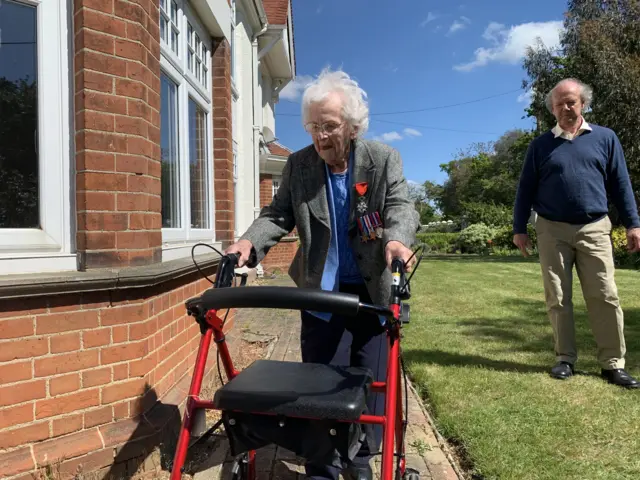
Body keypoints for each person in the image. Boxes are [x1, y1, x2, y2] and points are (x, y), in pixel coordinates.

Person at [224, 68, 420, 478]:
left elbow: (401, 205)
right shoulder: (299, 165)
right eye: (313, 126)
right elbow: (277, 214)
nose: (320, 136)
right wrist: (248, 243)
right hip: (320, 292)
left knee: (369, 379)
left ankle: (361, 459)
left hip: (371, 291)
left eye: (329, 126)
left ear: (352, 126)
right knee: (318, 381)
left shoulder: (382, 159)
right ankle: (322, 463)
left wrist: (397, 240)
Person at [513, 78, 640, 389]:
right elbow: (525, 189)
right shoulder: (541, 145)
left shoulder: (606, 139)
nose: (565, 108)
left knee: (605, 295)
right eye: (559, 104)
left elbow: (621, 185)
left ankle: (613, 364)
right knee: (557, 296)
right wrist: (519, 229)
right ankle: (565, 359)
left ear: (583, 103)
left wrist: (633, 223)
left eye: (571, 101)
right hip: (551, 229)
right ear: (552, 109)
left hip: (595, 227)